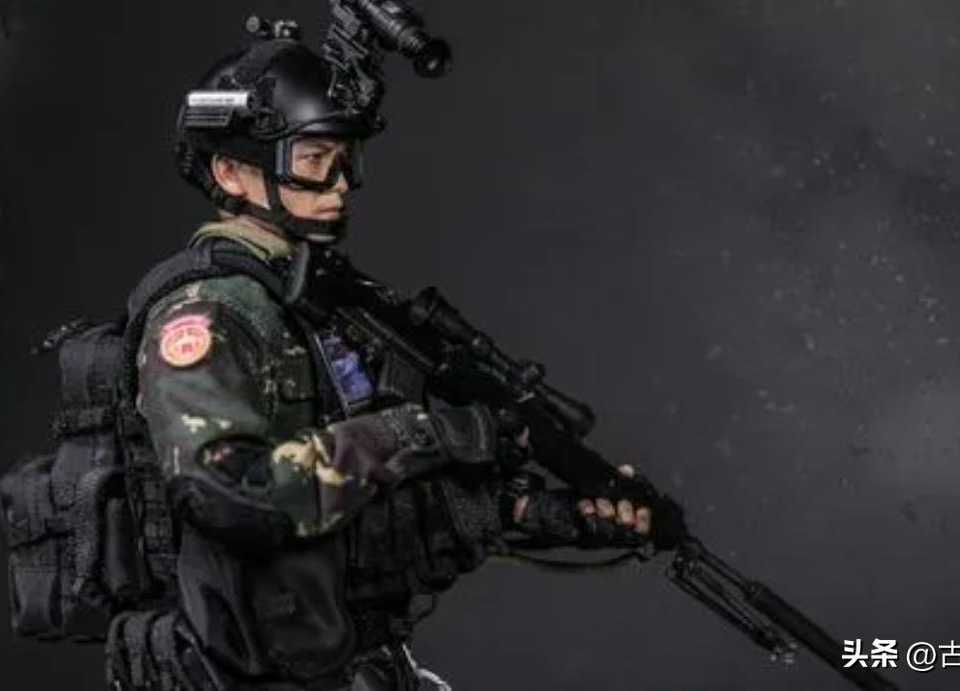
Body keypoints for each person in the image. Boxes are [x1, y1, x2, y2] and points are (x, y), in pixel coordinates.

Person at [109, 19, 654, 691]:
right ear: (232, 170)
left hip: (351, 666)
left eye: (346, 159)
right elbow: (230, 496)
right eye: (314, 159)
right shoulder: (210, 312)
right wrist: (422, 433)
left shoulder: (309, 302)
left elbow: (359, 510)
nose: (340, 183)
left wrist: (539, 513)